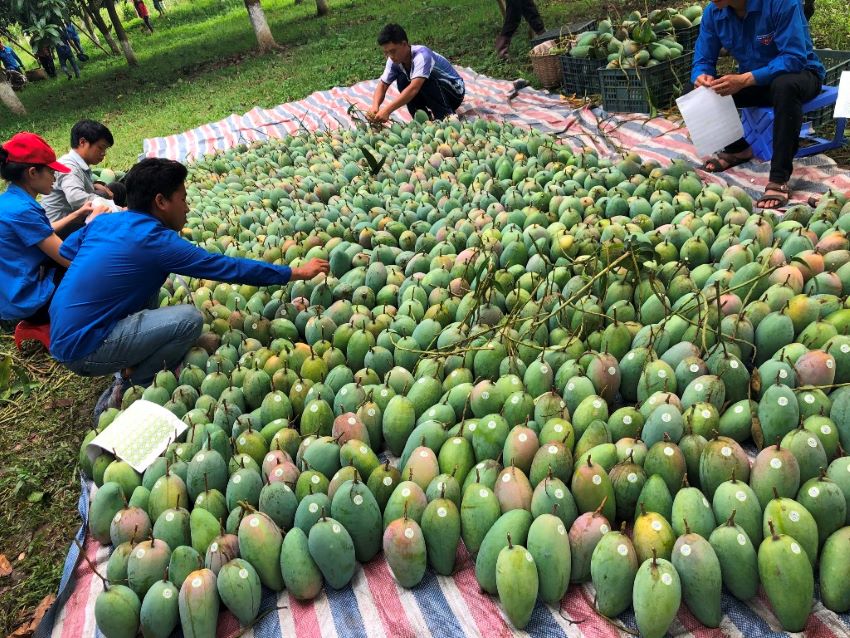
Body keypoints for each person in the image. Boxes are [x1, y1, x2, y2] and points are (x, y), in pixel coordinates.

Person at [48, 158, 330, 417]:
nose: (187, 207)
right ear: (161, 201)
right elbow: (229, 268)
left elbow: (70, 250)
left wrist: (100, 230)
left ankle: (130, 357)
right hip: (83, 349)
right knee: (189, 320)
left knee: (149, 283)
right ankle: (136, 379)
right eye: (182, 199)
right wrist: (296, 272)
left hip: (61, 330)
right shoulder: (158, 242)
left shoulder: (107, 221)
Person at [691, 0, 825, 209]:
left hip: (801, 75)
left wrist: (744, 80)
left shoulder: (782, 3)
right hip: (754, 80)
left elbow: (794, 58)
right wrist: (702, 76)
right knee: (698, 91)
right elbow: (703, 59)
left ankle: (779, 178)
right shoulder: (714, 13)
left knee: (785, 86)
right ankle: (737, 150)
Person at [0, 132, 97, 325]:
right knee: (94, 270)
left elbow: (42, 231)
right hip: (31, 304)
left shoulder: (9, 200)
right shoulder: (23, 211)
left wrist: (76, 215)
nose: (55, 177)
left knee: (75, 228)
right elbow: (69, 261)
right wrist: (97, 221)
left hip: (11, 293)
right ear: (33, 173)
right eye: (51, 172)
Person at [368, 24, 465, 124]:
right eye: (386, 52)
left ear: (404, 44)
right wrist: (375, 106)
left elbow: (414, 88)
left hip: (454, 92)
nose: (390, 56)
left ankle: (445, 116)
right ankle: (423, 120)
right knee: (402, 79)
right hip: (435, 93)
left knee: (423, 81)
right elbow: (383, 85)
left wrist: (388, 110)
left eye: (393, 51)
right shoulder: (393, 60)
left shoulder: (422, 56)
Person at [42, 120, 117, 237]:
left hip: (75, 217)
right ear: (82, 142)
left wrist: (94, 184)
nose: (103, 153)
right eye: (101, 148)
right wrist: (113, 206)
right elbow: (75, 197)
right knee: (105, 203)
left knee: (115, 189)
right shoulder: (69, 166)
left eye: (105, 149)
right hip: (63, 228)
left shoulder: (76, 162)